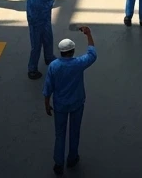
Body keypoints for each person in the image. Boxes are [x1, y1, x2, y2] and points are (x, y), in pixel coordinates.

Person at [44, 26, 97, 174]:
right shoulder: (78, 64)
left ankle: (58, 163)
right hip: (77, 103)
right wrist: (88, 34)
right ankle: (72, 158)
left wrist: (47, 105)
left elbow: (48, 88)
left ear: (61, 52)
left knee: (60, 134)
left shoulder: (54, 66)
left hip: (60, 105)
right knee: (75, 131)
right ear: (73, 51)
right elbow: (92, 54)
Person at [26, 0, 54, 79]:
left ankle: (49, 57)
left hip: (45, 18)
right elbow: (38, 6)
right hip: (36, 20)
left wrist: (49, 3)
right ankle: (32, 69)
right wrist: (49, 5)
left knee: (48, 38)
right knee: (36, 45)